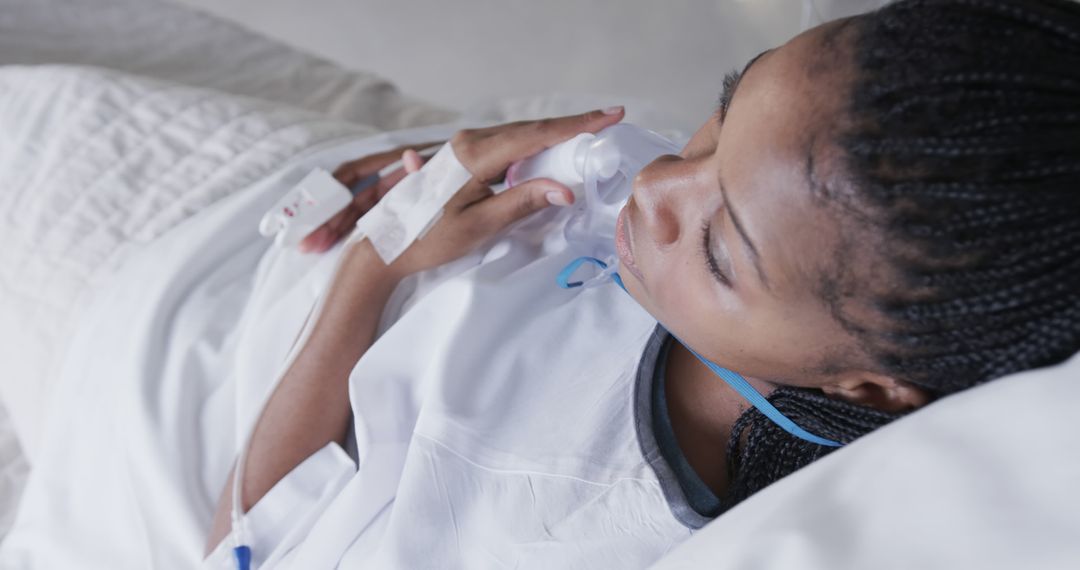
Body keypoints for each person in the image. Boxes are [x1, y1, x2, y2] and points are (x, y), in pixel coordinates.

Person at [4, 0, 1078, 568]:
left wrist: (372, 270)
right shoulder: (810, 266)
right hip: (318, 179)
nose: (657, 184)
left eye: (716, 245)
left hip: (150, 312)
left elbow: (250, 550)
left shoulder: (543, 509)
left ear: (873, 390)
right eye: (720, 111)